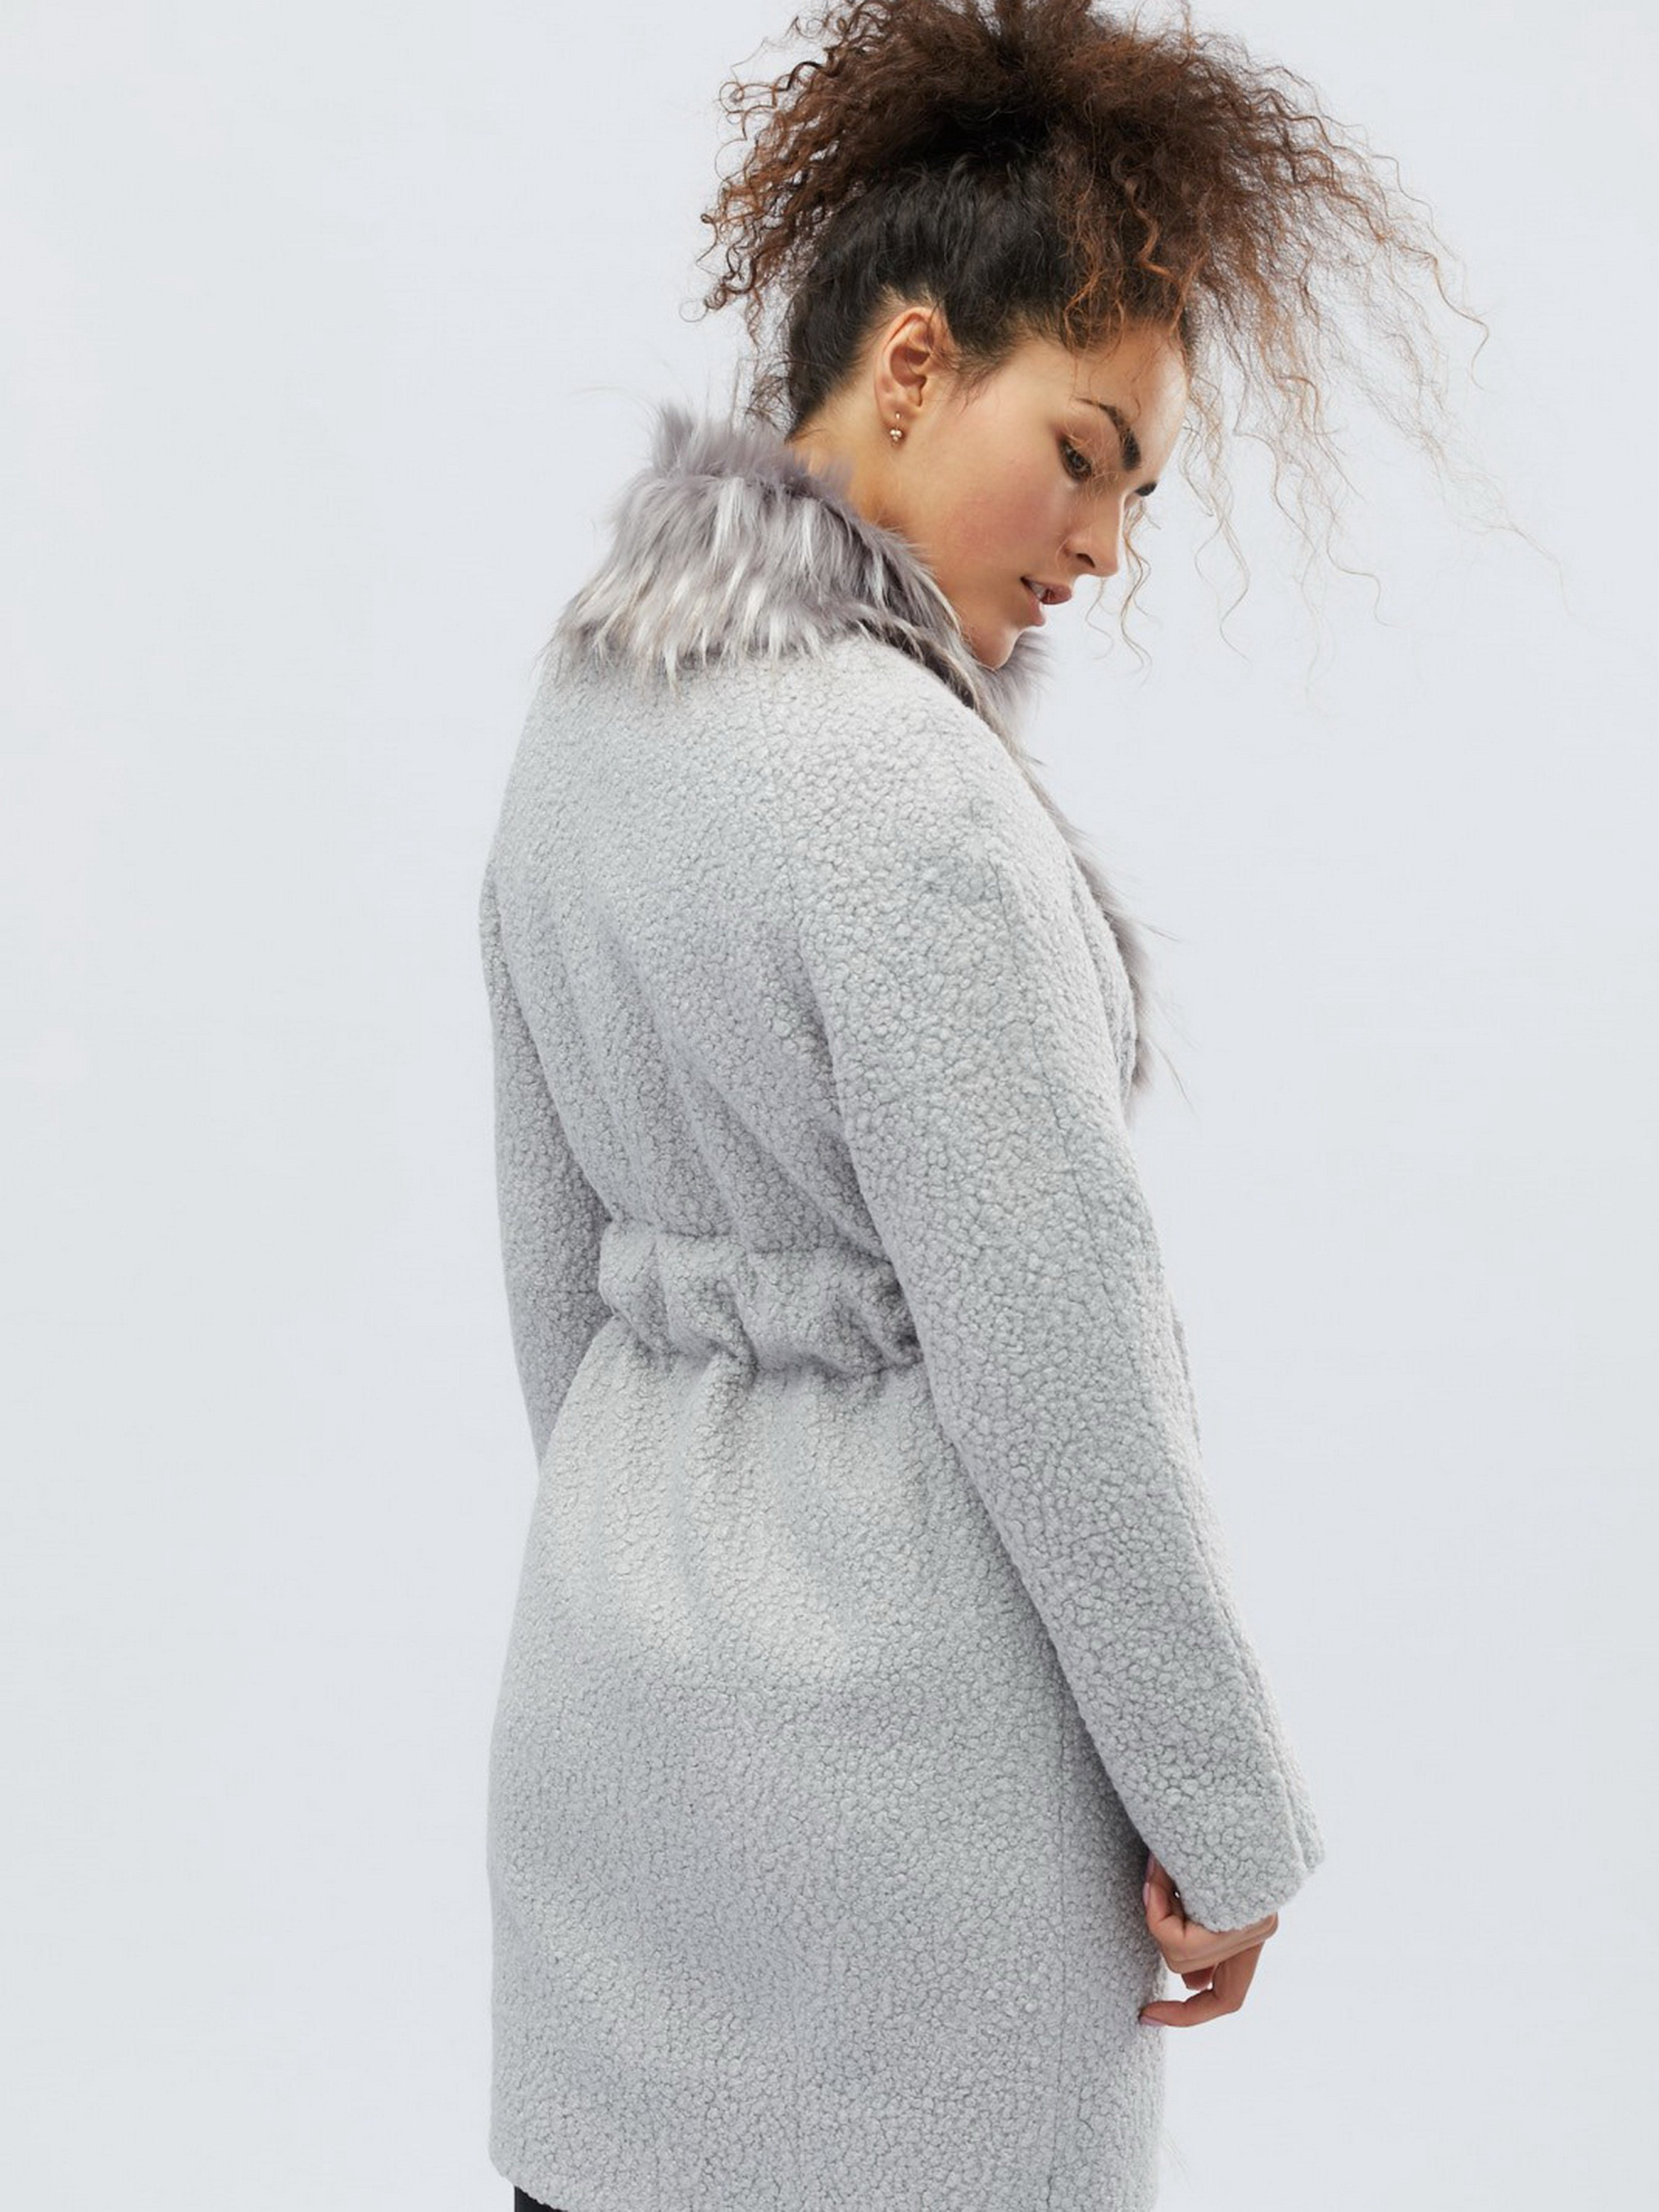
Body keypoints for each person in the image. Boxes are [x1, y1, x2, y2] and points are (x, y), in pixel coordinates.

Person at [481, 3, 1487, 2205]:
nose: (1106, 542)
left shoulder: (583, 706)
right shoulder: (908, 795)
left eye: (1140, 492)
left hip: (605, 1744)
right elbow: (1064, 1366)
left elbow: (550, 1266)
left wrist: (662, 1564)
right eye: (1089, 450)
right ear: (917, 365)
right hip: (905, 1820)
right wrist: (1220, 1816)